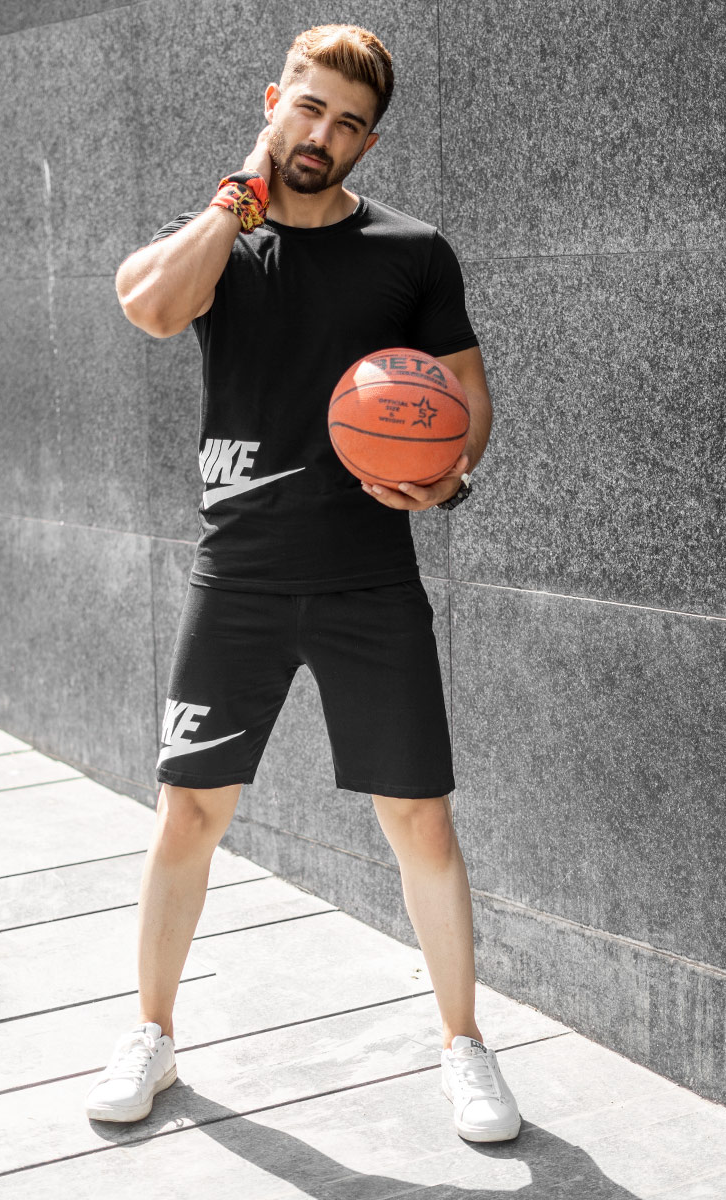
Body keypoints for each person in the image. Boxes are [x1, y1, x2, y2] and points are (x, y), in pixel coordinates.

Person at [85, 24, 519, 1143]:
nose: (324, 135)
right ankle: (151, 1033)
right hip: (238, 575)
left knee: (418, 818)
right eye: (309, 108)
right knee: (189, 809)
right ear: (274, 101)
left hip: (370, 579)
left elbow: (469, 397)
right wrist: (238, 200)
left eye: (349, 123)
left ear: (371, 141)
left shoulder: (413, 253)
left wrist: (452, 477)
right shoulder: (220, 241)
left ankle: (464, 1045)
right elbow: (149, 306)